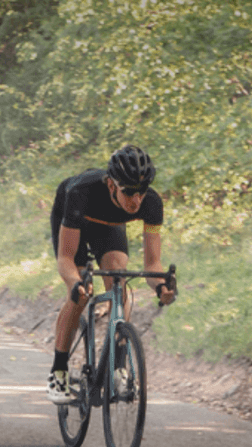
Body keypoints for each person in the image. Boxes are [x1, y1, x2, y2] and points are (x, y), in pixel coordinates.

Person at [47, 145, 176, 403]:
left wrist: (161, 286)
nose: (136, 200)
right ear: (111, 185)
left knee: (119, 279)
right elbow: (65, 259)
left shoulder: (151, 204)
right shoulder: (80, 192)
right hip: (74, 219)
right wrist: (74, 283)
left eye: (141, 191)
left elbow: (152, 265)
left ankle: (119, 368)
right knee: (81, 293)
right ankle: (58, 372)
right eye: (128, 192)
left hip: (108, 227)